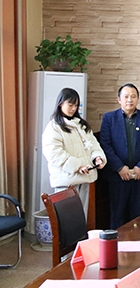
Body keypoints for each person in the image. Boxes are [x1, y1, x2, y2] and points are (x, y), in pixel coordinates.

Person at [42, 88, 107, 218]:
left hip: (85, 178)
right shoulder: (53, 127)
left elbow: (93, 144)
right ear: (60, 104)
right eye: (70, 105)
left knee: (82, 218)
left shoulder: (81, 125)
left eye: (76, 105)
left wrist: (97, 157)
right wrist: (77, 166)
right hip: (66, 181)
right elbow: (54, 154)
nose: (73, 109)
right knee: (68, 220)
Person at [100, 83, 140, 229]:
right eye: (126, 97)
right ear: (119, 99)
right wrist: (120, 168)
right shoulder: (109, 118)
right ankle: (117, 243)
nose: (129, 100)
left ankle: (135, 242)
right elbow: (105, 145)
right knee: (117, 215)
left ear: (138, 99)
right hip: (117, 176)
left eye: (133, 96)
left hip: (139, 176)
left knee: (137, 216)